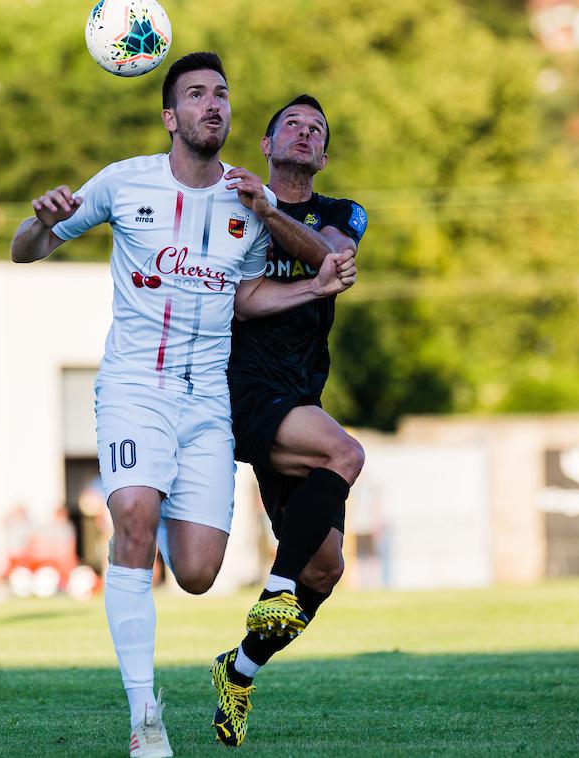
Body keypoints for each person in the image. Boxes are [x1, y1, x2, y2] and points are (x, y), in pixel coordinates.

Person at [9, 53, 355, 758]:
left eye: (222, 94)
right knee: (131, 518)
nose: (212, 104)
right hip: (136, 386)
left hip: (208, 403)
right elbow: (25, 250)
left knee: (198, 573)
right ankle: (146, 722)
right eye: (195, 94)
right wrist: (38, 222)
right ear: (171, 117)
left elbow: (247, 296)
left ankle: (165, 534)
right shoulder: (122, 181)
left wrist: (308, 288)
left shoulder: (244, 202)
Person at [210, 95, 369, 747]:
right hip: (246, 389)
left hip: (302, 396)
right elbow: (240, 304)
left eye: (317, 130)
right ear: (267, 146)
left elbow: (330, 262)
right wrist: (256, 211)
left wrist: (269, 211)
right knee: (347, 455)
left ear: (324, 156)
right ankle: (275, 585)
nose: (305, 133)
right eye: (292, 126)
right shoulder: (229, 207)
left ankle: (238, 671)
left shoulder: (340, 214)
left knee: (326, 569)